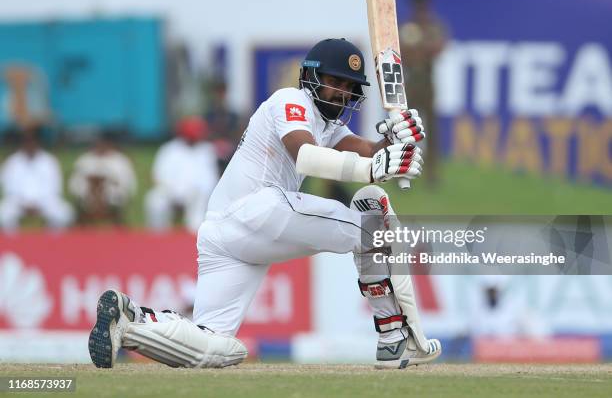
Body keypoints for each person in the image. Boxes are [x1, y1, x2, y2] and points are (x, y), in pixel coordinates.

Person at [89, 38, 440, 369]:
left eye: (350, 87)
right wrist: (373, 168)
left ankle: (129, 321)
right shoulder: (290, 100)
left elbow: (369, 151)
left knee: (215, 346)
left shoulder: (328, 125)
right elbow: (305, 155)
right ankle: (395, 337)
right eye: (337, 81)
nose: (343, 93)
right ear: (311, 76)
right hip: (256, 208)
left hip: (225, 234)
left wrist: (395, 141)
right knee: (373, 223)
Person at [399, 0, 448, 186]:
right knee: (404, 128)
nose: (421, 10)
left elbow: (439, 47)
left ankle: (432, 174)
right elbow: (402, 51)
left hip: (427, 81)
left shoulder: (433, 26)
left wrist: (419, 47)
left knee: (431, 131)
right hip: (410, 82)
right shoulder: (407, 26)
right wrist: (420, 48)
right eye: (418, 6)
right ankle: (400, 170)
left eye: (423, 6)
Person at [144, 116, 219, 233]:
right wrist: (173, 192)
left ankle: (194, 235)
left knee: (200, 200)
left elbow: (210, 179)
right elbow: (157, 175)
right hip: (170, 191)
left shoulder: (206, 150)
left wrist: (191, 191)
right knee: (155, 199)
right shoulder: (169, 149)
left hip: (194, 193)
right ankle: (157, 236)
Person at [0, 128, 73, 232]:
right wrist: (23, 203)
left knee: (65, 213)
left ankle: (51, 243)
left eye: (32, 142)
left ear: (38, 143)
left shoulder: (49, 161)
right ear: (23, 143)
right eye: (27, 142)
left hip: (45, 201)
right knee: (3, 214)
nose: (30, 145)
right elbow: (8, 188)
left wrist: (39, 203)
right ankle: (13, 243)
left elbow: (54, 187)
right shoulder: (12, 162)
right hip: (17, 202)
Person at [68, 132, 137, 225]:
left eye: (104, 143)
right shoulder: (84, 160)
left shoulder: (120, 160)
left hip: (112, 199)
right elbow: (74, 184)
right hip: (87, 199)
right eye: (98, 143)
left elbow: (129, 184)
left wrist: (107, 185)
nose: (101, 146)